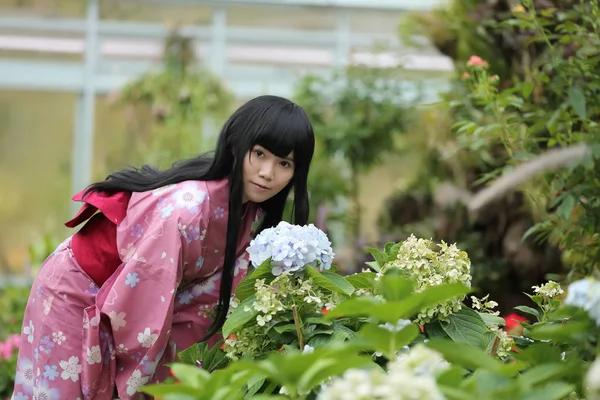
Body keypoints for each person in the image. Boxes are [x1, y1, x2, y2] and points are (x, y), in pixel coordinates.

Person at [12, 95, 315, 400]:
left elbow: (203, 305)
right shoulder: (188, 209)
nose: (267, 172)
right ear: (236, 146)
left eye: (283, 163)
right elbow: (143, 302)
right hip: (75, 290)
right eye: (259, 153)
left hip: (120, 299)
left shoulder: (252, 217)